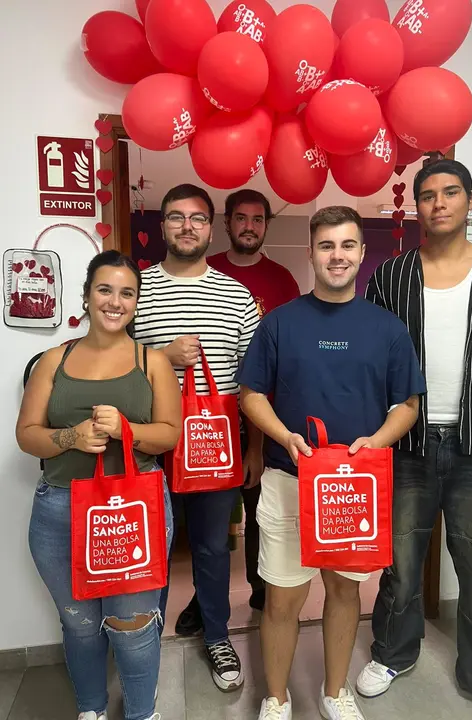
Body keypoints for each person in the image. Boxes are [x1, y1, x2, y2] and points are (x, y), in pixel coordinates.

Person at [358, 159, 472, 720]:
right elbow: (375, 359)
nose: (438, 203)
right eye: (428, 195)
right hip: (408, 445)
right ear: (416, 206)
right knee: (402, 562)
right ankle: (392, 653)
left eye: (450, 192)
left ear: (469, 199)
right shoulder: (391, 276)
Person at [236, 206, 426, 720]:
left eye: (347, 246)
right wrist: (284, 435)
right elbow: (250, 394)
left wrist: (377, 442)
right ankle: (276, 698)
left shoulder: (387, 328)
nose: (337, 256)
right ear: (311, 254)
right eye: (326, 246)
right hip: (287, 478)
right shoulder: (280, 323)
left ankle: (334, 692)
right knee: (282, 597)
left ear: (362, 253)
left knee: (344, 590)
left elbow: (407, 405)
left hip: (353, 486)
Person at [16, 250, 182, 720]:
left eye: (126, 292)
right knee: (80, 623)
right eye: (104, 290)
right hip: (60, 511)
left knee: (129, 625)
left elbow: (169, 432)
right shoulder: (53, 359)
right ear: (87, 296)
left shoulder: (152, 362)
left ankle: (140, 712)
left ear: (136, 302)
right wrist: (71, 437)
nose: (115, 301)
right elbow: (26, 435)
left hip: (132, 511)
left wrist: (127, 429)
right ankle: (90, 709)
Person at [133, 183, 261, 692]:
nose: (188, 226)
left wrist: (252, 448)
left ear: (213, 227)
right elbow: (111, 364)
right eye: (176, 217)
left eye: (198, 218)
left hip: (217, 445)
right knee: (153, 546)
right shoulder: (136, 288)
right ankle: (145, 640)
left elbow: (253, 382)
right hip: (148, 444)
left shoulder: (238, 295)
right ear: (161, 225)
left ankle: (217, 635)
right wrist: (161, 356)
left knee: (211, 549)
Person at [173, 189, 300, 633]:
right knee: (209, 528)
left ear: (266, 225)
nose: (249, 226)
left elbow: (284, 355)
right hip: (193, 423)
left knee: (261, 514)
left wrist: (262, 439)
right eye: (241, 218)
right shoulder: (209, 268)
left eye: (258, 219)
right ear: (224, 224)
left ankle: (264, 594)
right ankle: (202, 602)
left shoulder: (282, 279)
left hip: (258, 419)